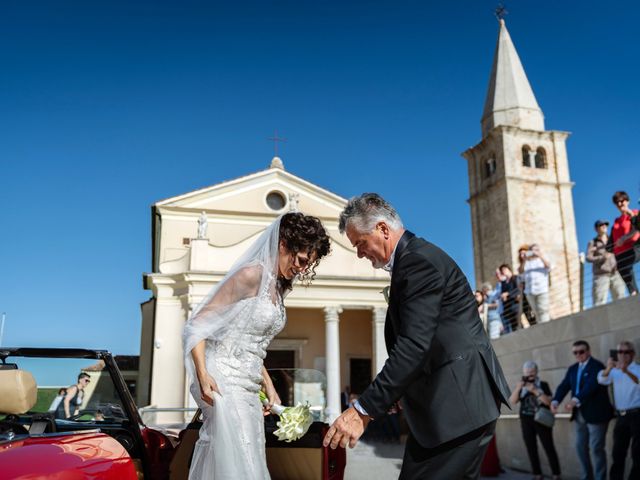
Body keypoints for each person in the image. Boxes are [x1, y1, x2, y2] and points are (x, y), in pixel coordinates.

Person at [323, 193, 511, 480]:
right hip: (449, 412)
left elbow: (413, 345)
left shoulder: (417, 262)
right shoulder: (413, 260)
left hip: (457, 409)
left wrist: (362, 410)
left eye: (360, 243)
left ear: (383, 229)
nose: (360, 253)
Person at [183, 212, 330, 479]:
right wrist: (203, 375)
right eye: (301, 260)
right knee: (236, 458)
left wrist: (269, 385)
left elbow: (250, 343)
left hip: (248, 383)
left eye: (308, 265)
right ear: (283, 243)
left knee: (250, 454)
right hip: (223, 378)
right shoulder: (250, 275)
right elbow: (197, 325)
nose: (302, 269)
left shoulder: (279, 286)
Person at [551, 340, 613, 480]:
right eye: (575, 352)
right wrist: (555, 401)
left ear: (588, 351)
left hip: (597, 415)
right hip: (579, 415)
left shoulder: (597, 366)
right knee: (580, 447)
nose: (578, 355)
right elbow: (564, 386)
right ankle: (587, 477)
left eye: (581, 351)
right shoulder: (573, 368)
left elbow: (591, 386)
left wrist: (575, 400)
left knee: (596, 449)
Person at [509, 361, 561, 480]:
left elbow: (548, 402)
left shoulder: (543, 384)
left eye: (532, 372)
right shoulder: (521, 386)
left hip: (542, 420)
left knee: (549, 447)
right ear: (524, 373)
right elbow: (512, 401)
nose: (529, 375)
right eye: (527, 373)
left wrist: (535, 390)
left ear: (536, 372)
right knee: (531, 448)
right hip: (526, 421)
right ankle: (537, 474)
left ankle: (556, 474)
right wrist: (518, 388)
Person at [597, 341, 640, 480]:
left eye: (626, 352)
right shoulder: (613, 371)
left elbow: (638, 381)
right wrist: (609, 368)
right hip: (621, 417)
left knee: (638, 454)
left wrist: (626, 371)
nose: (622, 355)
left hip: (637, 415)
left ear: (632, 354)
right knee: (618, 454)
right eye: (619, 352)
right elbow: (601, 380)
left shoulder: (638, 369)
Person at [587, 220, 627, 305]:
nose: (604, 226)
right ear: (596, 228)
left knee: (621, 299)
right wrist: (601, 257)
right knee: (599, 302)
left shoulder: (613, 239)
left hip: (616, 273)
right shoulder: (593, 243)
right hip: (601, 275)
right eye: (601, 225)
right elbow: (588, 258)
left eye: (605, 224)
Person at [608, 191, 639, 296]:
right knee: (625, 272)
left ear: (628, 201)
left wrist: (624, 238)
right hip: (619, 253)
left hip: (632, 248)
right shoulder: (616, 220)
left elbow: (637, 229)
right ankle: (634, 294)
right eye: (617, 202)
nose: (620, 204)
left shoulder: (635, 212)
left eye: (622, 201)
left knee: (627, 264)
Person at [518, 244, 551, 323]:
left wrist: (540, 256)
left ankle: (546, 329)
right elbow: (520, 271)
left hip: (542, 290)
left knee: (543, 311)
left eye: (536, 250)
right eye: (532, 250)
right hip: (530, 292)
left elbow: (548, 266)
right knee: (536, 312)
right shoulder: (527, 263)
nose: (534, 252)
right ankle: (542, 329)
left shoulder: (541, 260)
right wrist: (525, 259)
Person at [497, 264, 521, 333]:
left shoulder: (515, 278)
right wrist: (503, 297)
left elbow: (518, 290)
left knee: (518, 324)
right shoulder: (503, 283)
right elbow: (502, 294)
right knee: (513, 327)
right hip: (508, 308)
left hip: (515, 305)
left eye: (504, 269)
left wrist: (508, 294)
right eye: (502, 271)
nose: (503, 271)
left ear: (508, 269)